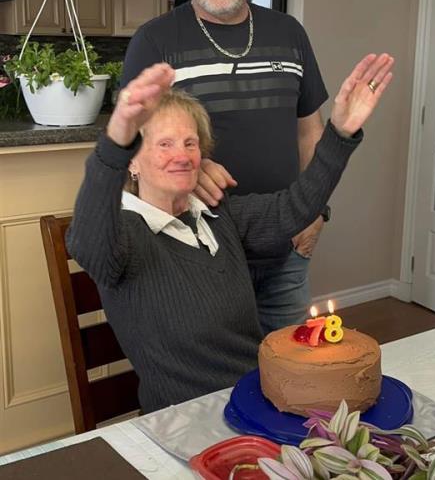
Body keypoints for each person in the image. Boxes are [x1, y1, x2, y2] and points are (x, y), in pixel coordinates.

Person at [66, 55, 392, 414]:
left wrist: (339, 133)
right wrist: (114, 142)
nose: (182, 156)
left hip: (258, 399)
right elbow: (86, 242)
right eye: (164, 144)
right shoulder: (123, 235)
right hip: (189, 418)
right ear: (131, 160)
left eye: (190, 143)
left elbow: (293, 209)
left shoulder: (218, 216)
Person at [120, 0, 394, 333]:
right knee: (221, 366)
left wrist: (316, 214)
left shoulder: (290, 33)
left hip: (286, 250)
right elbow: (129, 139)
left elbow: (309, 132)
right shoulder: (153, 40)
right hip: (201, 251)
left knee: (291, 360)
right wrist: (188, 163)